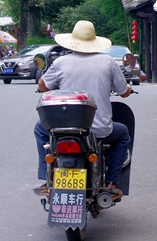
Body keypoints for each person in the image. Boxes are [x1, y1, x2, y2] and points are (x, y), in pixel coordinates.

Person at [34, 20, 132, 198]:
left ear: (73, 41)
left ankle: (45, 176)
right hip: (98, 130)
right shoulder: (108, 62)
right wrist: (128, 89)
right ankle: (112, 182)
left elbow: (42, 85)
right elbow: (124, 92)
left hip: (62, 128)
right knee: (123, 134)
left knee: (40, 129)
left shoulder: (61, 62)